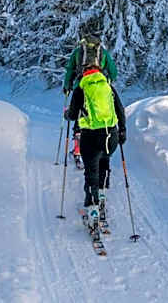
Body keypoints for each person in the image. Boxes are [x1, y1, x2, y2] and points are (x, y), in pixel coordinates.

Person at [64, 65, 126, 235]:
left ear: (84, 74)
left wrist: (67, 113)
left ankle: (93, 211)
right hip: (110, 134)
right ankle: (102, 195)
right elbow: (120, 110)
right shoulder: (108, 87)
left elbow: (73, 115)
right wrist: (122, 131)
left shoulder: (81, 89)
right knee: (104, 163)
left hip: (90, 136)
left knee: (91, 172)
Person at [62, 34, 118, 169]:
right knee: (97, 115)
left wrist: (67, 86)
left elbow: (70, 70)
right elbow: (113, 72)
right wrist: (107, 81)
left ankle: (78, 151)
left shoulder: (77, 52)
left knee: (79, 117)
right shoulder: (103, 52)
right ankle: (100, 148)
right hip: (99, 89)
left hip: (80, 87)